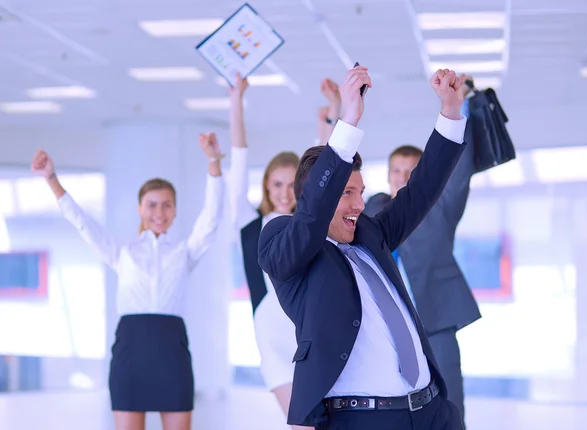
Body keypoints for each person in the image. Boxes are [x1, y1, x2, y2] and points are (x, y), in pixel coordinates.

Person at [258, 66, 468, 430]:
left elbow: (420, 191)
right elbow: (310, 218)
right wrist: (349, 120)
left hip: (432, 413)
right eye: (346, 193)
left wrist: (450, 115)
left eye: (361, 192)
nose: (359, 204)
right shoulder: (283, 240)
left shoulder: (371, 235)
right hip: (364, 419)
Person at [30, 134, 225, 430]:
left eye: (166, 205)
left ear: (174, 210)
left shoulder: (185, 252)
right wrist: (51, 177)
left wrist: (213, 160)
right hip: (130, 354)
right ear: (140, 209)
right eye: (152, 205)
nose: (159, 213)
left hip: (172, 353)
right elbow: (82, 222)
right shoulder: (122, 251)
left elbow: (212, 217)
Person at [363, 76, 480, 426]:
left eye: (409, 171)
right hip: (388, 326)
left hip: (436, 318)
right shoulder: (376, 210)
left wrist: (462, 106)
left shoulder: (440, 209)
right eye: (395, 171)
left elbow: (459, 172)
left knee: (450, 400)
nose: (400, 177)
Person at [227, 74, 308, 430]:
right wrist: (236, 102)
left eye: (292, 184)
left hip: (309, 328)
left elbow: (330, 171)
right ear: (266, 185)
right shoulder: (249, 222)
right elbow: (239, 160)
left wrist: (335, 114)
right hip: (271, 332)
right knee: (300, 422)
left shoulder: (311, 224)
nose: (283, 192)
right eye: (276, 183)